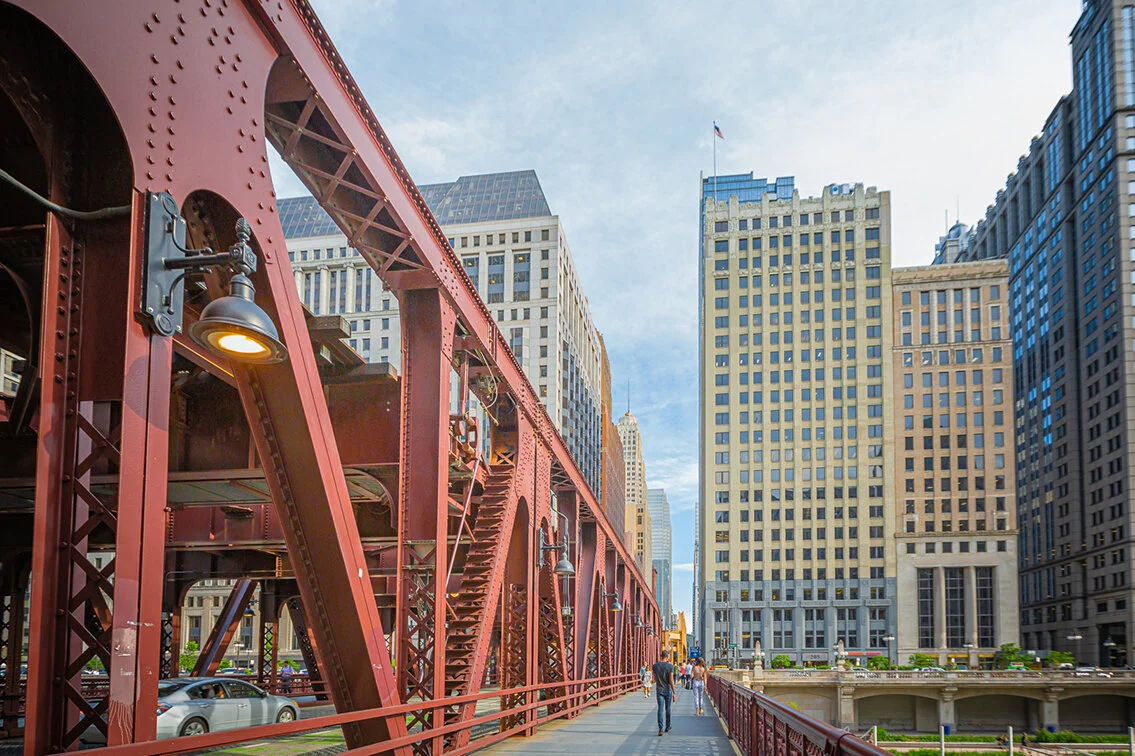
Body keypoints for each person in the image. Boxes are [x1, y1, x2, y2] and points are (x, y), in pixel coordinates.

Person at [652, 650, 676, 736]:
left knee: (660, 709)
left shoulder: (655, 666)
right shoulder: (670, 666)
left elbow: (654, 678)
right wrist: (674, 692)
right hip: (668, 690)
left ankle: (660, 729)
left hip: (659, 690)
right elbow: (671, 680)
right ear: (667, 657)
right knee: (668, 708)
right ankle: (668, 726)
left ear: (661, 656)